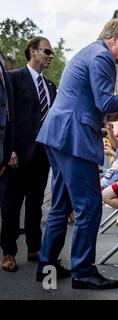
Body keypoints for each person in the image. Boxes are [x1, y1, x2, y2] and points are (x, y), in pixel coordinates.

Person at [35, 19, 118, 290]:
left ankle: (46, 265)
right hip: (74, 138)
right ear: (114, 39)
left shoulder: (90, 53)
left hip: (59, 134)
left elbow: (100, 107)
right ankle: (84, 272)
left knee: (62, 205)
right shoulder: (102, 56)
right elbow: (105, 102)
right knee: (89, 206)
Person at [1, 36, 57, 273]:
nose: (50, 56)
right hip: (17, 154)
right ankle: (8, 252)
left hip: (42, 156)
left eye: (52, 53)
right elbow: (7, 115)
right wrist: (9, 148)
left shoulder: (51, 86)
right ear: (32, 52)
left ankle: (34, 247)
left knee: (35, 205)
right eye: (46, 51)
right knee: (11, 205)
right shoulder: (13, 79)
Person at [0, 57, 15, 272]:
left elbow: (10, 116)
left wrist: (9, 150)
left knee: (9, 207)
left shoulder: (3, 66)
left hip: (4, 153)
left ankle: (8, 252)